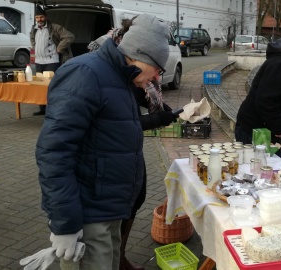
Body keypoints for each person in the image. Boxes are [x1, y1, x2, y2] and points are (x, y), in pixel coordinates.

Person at [35, 14, 176, 269]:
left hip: (110, 209)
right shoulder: (85, 74)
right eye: (157, 69)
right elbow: (54, 153)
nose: (156, 77)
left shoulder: (121, 79)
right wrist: (65, 225)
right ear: (140, 55)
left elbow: (116, 132)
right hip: (88, 215)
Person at [88, 18, 177, 270]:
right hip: (106, 161)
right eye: (157, 69)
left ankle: (120, 256)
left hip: (127, 152)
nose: (157, 76)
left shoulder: (135, 67)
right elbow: (116, 121)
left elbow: (135, 105)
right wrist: (156, 119)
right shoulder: (103, 69)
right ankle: (117, 260)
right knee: (121, 208)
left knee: (136, 196)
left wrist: (162, 112)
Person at [30, 6, 74, 116]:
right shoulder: (34, 28)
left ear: (45, 17)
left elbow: (69, 36)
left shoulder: (54, 27)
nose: (39, 19)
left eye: (41, 17)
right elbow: (32, 39)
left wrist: (59, 49)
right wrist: (35, 47)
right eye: (37, 17)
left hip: (51, 61)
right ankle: (42, 108)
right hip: (39, 61)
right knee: (40, 86)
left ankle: (54, 108)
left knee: (52, 86)